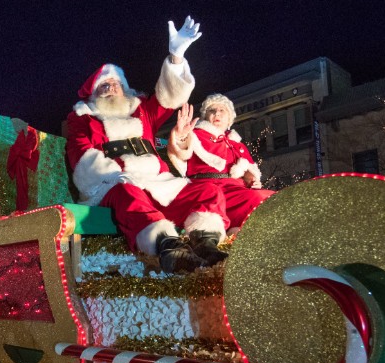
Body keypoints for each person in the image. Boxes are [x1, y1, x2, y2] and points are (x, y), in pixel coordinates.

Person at [66, 17, 231, 273]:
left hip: (156, 181)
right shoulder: (84, 118)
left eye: (116, 85)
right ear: (94, 94)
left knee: (206, 190)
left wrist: (176, 57)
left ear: (125, 89)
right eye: (104, 86)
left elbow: (169, 97)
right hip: (113, 184)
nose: (111, 90)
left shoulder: (142, 110)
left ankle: (206, 244)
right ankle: (168, 248)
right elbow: (81, 154)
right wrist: (113, 176)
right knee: (127, 193)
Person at [168, 94, 275, 230]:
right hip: (209, 190)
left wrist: (252, 179)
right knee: (256, 198)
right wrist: (181, 136)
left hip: (237, 190)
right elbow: (181, 150)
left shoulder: (237, 144)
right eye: (211, 110)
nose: (217, 113)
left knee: (271, 197)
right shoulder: (195, 134)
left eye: (222, 110)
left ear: (229, 118)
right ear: (205, 116)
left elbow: (248, 169)